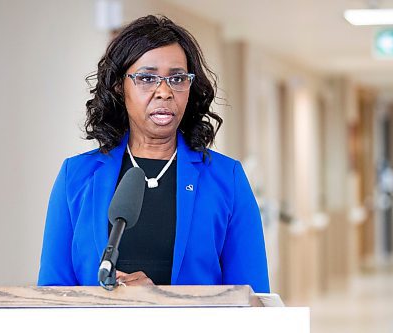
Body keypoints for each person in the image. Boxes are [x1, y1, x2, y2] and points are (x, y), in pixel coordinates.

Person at [38, 15, 270, 293]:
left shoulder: (226, 179)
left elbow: (252, 298)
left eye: (177, 78)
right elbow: (52, 294)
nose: (164, 91)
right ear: (118, 86)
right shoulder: (75, 177)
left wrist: (159, 302)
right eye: (147, 78)